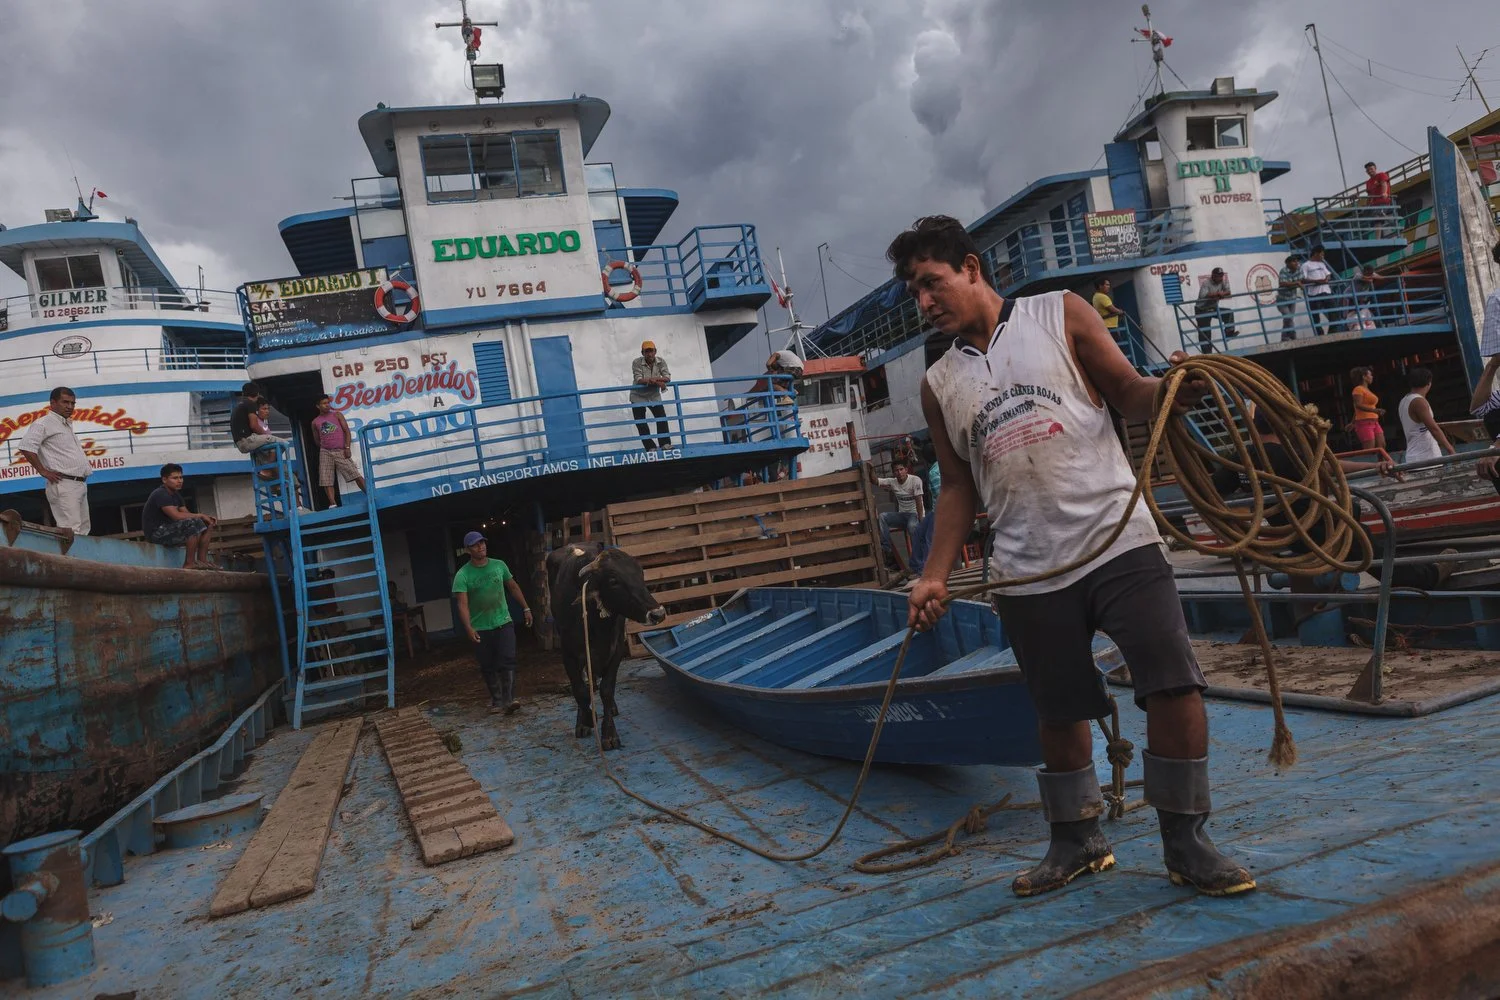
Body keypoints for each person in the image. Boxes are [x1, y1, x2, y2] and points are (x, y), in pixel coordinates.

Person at [891, 214, 1252, 898]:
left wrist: (1179, 391)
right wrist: (932, 575)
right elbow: (959, 488)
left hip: (1118, 538)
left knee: (1172, 682)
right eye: (914, 292)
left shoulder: (1062, 314)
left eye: (932, 283)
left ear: (972, 268)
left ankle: (1186, 839)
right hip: (1029, 568)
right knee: (1058, 710)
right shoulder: (938, 384)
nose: (924, 302)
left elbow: (1129, 393)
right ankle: (1077, 842)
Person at [453, 530, 533, 715]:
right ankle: (497, 700)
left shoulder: (499, 565)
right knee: (487, 664)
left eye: (482, 542)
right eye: (475, 545)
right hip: (481, 626)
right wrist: (468, 628)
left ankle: (510, 698)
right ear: (468, 550)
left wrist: (526, 608)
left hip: (503, 621)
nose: (480, 547)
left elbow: (512, 586)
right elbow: (462, 605)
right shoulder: (462, 575)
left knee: (508, 659)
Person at [17, 386, 92, 533]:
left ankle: (79, 556)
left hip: (79, 483)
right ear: (53, 403)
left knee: (83, 529)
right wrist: (43, 471)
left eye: (72, 403)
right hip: (63, 483)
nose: (69, 406)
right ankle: (70, 556)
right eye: (65, 402)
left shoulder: (65, 424)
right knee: (71, 531)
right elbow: (26, 446)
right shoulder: (43, 423)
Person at [142, 463, 218, 569]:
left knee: (206, 524)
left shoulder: (176, 495)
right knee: (192, 523)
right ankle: (189, 563)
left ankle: (202, 561)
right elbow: (176, 516)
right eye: (175, 478)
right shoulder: (161, 494)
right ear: (164, 480)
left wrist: (205, 518)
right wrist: (200, 515)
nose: (180, 481)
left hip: (170, 530)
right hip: (156, 534)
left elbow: (187, 514)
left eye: (181, 477)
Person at [311, 395, 366, 507]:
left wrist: (347, 447)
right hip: (325, 452)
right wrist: (326, 446)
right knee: (326, 479)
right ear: (318, 406)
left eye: (328, 402)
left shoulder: (337, 415)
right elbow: (317, 440)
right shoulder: (315, 422)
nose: (327, 405)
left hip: (340, 450)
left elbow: (347, 432)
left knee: (355, 474)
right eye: (324, 403)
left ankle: (370, 495)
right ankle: (332, 503)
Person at [869, 460, 924, 571]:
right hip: (902, 515)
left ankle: (918, 559)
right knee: (883, 517)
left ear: (906, 470)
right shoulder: (893, 482)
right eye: (896, 470)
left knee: (912, 527)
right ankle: (888, 553)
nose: (899, 472)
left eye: (901, 469)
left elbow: (919, 501)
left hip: (914, 514)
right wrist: (871, 469)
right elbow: (875, 481)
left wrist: (921, 520)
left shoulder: (915, 480)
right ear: (893, 473)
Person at [1398, 367, 1456, 464]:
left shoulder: (1404, 401)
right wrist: (1450, 449)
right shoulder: (1419, 402)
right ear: (1429, 383)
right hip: (1426, 457)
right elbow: (1434, 429)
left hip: (1414, 457)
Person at [629, 340, 671, 451]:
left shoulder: (661, 362)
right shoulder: (636, 362)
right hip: (637, 396)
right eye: (646, 351)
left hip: (653, 395)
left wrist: (653, 380)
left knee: (661, 418)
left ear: (655, 351)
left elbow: (667, 377)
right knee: (641, 423)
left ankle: (665, 444)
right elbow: (639, 379)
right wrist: (658, 383)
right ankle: (650, 447)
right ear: (642, 353)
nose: (649, 354)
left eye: (651, 351)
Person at [231, 382, 278, 480]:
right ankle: (267, 471)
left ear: (243, 393)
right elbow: (254, 425)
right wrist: (266, 435)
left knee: (267, 448)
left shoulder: (240, 405)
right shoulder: (250, 404)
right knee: (277, 442)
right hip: (246, 441)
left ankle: (270, 473)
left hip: (241, 442)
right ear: (257, 394)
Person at [1193, 267, 1236, 351]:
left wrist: (1222, 293)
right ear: (1213, 276)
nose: (1220, 278)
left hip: (1212, 308)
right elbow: (1203, 296)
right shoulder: (1206, 283)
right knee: (1205, 333)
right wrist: (1216, 294)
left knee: (1228, 313)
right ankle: (1207, 353)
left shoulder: (1222, 282)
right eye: (1218, 276)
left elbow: (1228, 291)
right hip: (1201, 310)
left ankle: (1229, 333)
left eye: (1221, 276)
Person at [1298, 246, 1337, 336]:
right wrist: (1316, 281)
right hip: (1314, 294)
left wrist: (1326, 279)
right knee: (1315, 316)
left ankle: (1332, 332)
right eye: (1321, 254)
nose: (1323, 256)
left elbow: (1328, 274)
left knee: (1334, 311)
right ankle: (1320, 334)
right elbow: (1302, 279)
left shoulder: (1322, 264)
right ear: (1316, 253)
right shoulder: (1306, 265)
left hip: (1326, 291)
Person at [1349, 366, 1387, 453]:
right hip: (1364, 422)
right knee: (1370, 449)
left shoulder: (1366, 390)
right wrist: (1375, 410)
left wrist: (1352, 422)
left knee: (1382, 445)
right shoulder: (1358, 389)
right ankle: (1369, 466)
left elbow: (1357, 409)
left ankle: (1382, 464)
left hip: (1374, 421)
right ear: (1364, 376)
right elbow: (1358, 405)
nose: (1372, 376)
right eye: (1370, 374)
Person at [1275, 255, 1303, 341]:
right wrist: (1296, 283)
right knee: (1288, 317)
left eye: (1297, 261)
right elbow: (1282, 283)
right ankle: (1293, 336)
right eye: (1294, 261)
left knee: (1288, 319)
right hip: (1282, 300)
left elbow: (1302, 280)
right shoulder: (1283, 271)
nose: (1296, 263)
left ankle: (1284, 337)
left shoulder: (1299, 269)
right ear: (1288, 263)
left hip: (1292, 299)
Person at [1363, 161, 1394, 237]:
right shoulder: (1368, 182)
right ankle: (1378, 238)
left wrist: (1385, 193)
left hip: (1383, 201)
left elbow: (1384, 184)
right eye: (1368, 170)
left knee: (1377, 218)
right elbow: (1369, 195)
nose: (1370, 171)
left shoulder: (1381, 175)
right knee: (1374, 218)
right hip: (1374, 204)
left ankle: (1378, 238)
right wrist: (1367, 205)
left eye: (1371, 169)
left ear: (1375, 168)